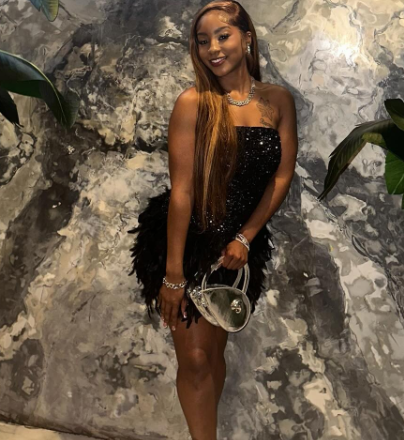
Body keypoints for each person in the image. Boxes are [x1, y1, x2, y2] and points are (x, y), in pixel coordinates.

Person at [127, 1, 297, 438]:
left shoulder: (277, 101)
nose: (213, 48)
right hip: (185, 240)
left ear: (246, 37)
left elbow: (281, 177)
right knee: (196, 358)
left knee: (213, 351)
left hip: (238, 249)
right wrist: (173, 275)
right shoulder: (194, 103)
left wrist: (247, 237)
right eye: (203, 41)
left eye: (223, 36)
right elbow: (182, 192)